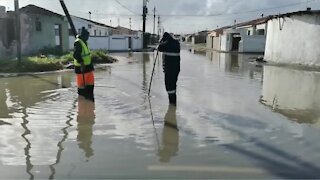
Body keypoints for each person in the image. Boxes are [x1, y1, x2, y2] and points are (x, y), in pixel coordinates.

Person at [158, 32, 180, 105]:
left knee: (169, 87)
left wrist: (161, 42)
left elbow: (159, 48)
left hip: (169, 69)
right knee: (173, 85)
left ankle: (172, 104)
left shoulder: (166, 45)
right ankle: (173, 104)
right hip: (176, 69)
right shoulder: (177, 43)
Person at [73, 27, 95, 101]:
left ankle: (90, 104)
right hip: (81, 68)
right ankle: (82, 104)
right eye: (87, 36)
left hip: (88, 67)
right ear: (83, 36)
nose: (88, 38)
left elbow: (87, 55)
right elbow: (76, 54)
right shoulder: (78, 42)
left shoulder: (84, 42)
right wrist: (82, 63)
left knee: (90, 85)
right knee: (82, 88)